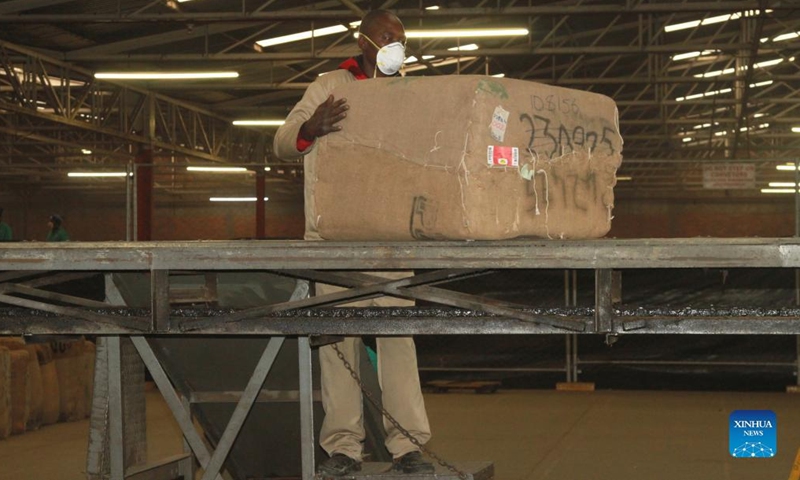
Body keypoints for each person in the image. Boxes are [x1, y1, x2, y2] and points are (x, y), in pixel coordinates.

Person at [274, 9, 434, 478]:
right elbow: (282, 141)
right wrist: (310, 128)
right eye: (388, 37)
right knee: (336, 341)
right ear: (363, 40)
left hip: (389, 239)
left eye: (402, 40)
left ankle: (408, 446)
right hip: (332, 240)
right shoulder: (328, 86)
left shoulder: (406, 93)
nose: (396, 48)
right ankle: (344, 447)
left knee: (396, 338)